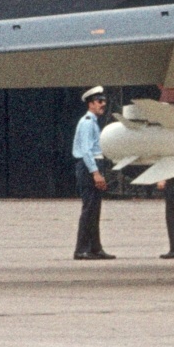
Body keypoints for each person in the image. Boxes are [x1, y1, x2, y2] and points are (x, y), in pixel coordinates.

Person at [73, 86, 115, 260]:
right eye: (99, 101)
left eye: (104, 101)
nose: (103, 104)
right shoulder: (87, 122)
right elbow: (86, 151)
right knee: (89, 209)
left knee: (95, 210)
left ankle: (95, 248)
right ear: (90, 104)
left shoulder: (93, 122)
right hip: (88, 166)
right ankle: (81, 249)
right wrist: (96, 173)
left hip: (93, 165)